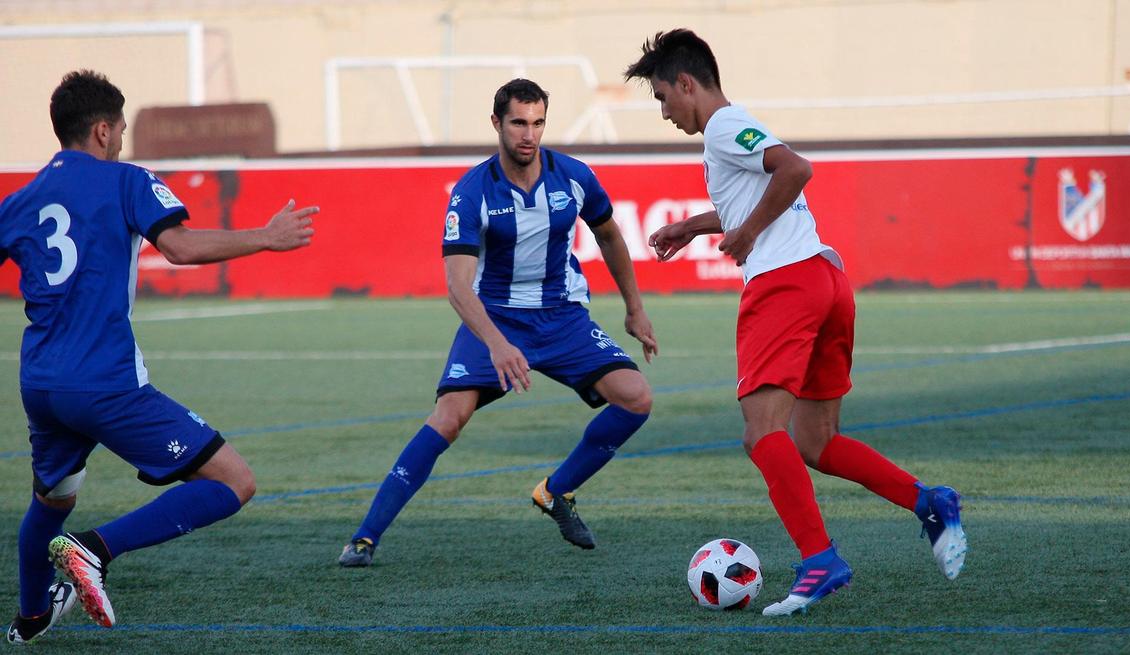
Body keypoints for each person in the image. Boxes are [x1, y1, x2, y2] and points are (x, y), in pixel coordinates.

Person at [625, 30, 967, 616]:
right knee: (815, 440)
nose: (664, 112)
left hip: (784, 284)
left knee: (762, 434)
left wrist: (749, 233)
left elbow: (795, 170)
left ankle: (819, 560)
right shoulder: (733, 132)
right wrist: (694, 226)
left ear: (686, 83)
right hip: (825, 281)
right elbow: (755, 191)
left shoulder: (726, 126)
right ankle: (929, 501)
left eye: (662, 97)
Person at [0, 70, 318, 641]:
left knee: (50, 501)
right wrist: (266, 237)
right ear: (101, 131)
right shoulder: (126, 181)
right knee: (233, 481)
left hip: (41, 384)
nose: (122, 140)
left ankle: (28, 619)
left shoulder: (19, 201)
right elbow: (179, 247)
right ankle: (94, 550)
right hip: (105, 384)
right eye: (120, 130)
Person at [338, 78, 657, 567]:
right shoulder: (471, 193)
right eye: (518, 123)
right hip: (494, 317)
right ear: (496, 124)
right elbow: (458, 287)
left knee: (636, 398)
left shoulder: (573, 176)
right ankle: (365, 537)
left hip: (562, 316)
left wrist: (634, 307)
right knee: (449, 417)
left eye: (537, 123)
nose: (528, 135)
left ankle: (557, 492)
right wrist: (496, 344)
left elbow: (610, 235)